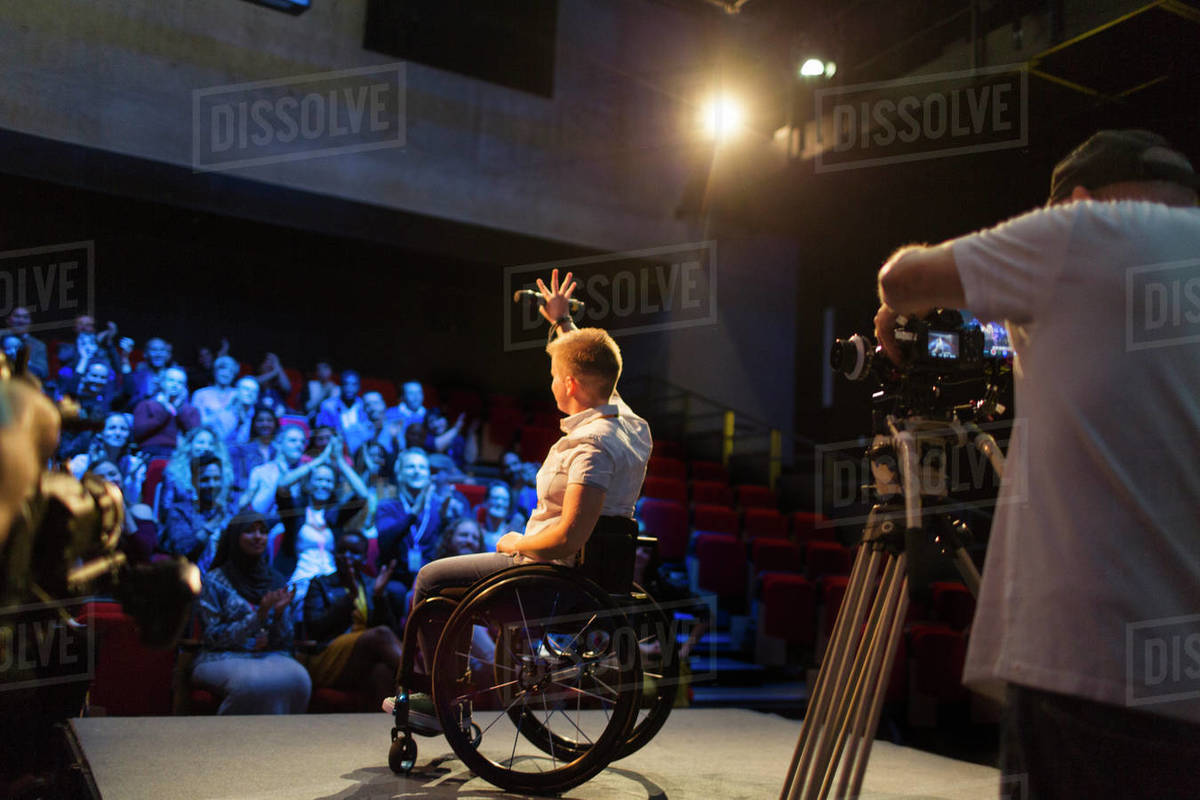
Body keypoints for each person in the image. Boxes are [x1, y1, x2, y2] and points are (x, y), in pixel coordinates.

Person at [872, 130, 1200, 799]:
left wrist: (895, 313)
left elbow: (903, 278)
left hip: (1093, 671)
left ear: (1073, 201)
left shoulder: (1087, 228)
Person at [391, 270, 652, 719]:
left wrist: (514, 542)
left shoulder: (590, 446)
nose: (552, 382)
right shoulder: (631, 426)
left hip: (546, 581)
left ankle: (439, 701)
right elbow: (597, 371)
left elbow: (565, 541)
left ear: (569, 385)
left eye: (555, 374)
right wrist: (562, 322)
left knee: (430, 580)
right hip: (588, 577)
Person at [190, 513, 311, 715]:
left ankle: (282, 741)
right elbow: (212, 637)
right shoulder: (215, 580)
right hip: (220, 656)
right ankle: (226, 741)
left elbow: (285, 641)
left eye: (263, 531)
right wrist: (258, 616)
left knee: (300, 678)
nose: (258, 537)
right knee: (252, 683)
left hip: (266, 656)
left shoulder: (275, 580)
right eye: (249, 531)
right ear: (235, 537)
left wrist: (279, 615)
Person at [301, 531, 401, 703]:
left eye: (354, 552)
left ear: (363, 558)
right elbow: (316, 629)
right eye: (342, 551)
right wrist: (350, 597)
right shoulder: (320, 584)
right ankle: (427, 686)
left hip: (361, 658)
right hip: (328, 656)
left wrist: (379, 597)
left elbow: (393, 633)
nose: (346, 556)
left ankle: (392, 723)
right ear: (334, 554)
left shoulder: (371, 584)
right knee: (381, 634)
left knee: (382, 671)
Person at [273, 437, 372, 607]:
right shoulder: (296, 512)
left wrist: (340, 461)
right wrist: (317, 462)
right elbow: (282, 485)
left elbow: (363, 495)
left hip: (331, 581)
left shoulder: (335, 516)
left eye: (328, 481)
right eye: (318, 479)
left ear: (333, 486)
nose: (323, 485)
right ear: (309, 484)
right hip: (300, 579)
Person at [160, 452, 235, 571]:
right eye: (205, 479)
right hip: (190, 578)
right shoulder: (180, 511)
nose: (212, 485)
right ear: (194, 481)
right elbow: (182, 550)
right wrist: (213, 523)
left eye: (216, 479)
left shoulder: (231, 511)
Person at [158, 426, 235, 524]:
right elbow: (166, 507)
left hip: (215, 523)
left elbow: (227, 505)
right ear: (190, 445)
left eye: (210, 444)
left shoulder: (224, 472)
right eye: (201, 442)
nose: (206, 447)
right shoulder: (174, 472)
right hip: (181, 523)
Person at [240, 424, 308, 517]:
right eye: (293, 440)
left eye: (302, 442)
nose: (299, 445)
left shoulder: (308, 473)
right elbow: (253, 506)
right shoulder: (260, 471)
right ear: (279, 443)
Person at [131, 366, 200, 457]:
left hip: (179, 456)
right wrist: (165, 409)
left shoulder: (190, 410)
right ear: (162, 382)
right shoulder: (146, 405)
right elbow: (139, 432)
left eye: (180, 382)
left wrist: (179, 409)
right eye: (171, 380)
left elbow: (195, 434)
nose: (175, 385)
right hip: (150, 453)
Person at [229, 405, 279, 494]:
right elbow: (237, 480)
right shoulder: (242, 450)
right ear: (254, 424)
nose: (265, 424)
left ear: (275, 424)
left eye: (269, 420)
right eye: (260, 420)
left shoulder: (279, 451)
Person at [121, 336, 174, 410]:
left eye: (162, 350)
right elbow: (129, 402)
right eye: (154, 350)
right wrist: (125, 356)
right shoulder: (138, 377)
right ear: (145, 354)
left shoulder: (175, 377)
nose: (158, 354)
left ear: (168, 354)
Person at [191, 355, 239, 429]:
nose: (226, 373)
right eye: (222, 369)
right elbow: (197, 423)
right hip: (208, 438)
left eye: (231, 371)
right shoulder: (200, 394)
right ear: (215, 371)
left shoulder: (238, 395)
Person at [477, 482, 526, 552]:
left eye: (505, 500)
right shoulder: (476, 533)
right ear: (485, 502)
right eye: (495, 498)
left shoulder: (517, 531)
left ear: (509, 505)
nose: (499, 503)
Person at [3, 306, 47, 380]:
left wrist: (24, 362)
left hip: (25, 387)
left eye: (25, 317)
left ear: (30, 322)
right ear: (8, 320)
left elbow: (43, 372)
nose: (21, 320)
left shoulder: (39, 345)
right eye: (17, 316)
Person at [316, 369, 364, 436]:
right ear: (340, 386)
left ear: (359, 387)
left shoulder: (364, 406)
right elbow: (323, 431)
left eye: (353, 384)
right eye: (346, 384)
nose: (349, 388)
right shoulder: (328, 406)